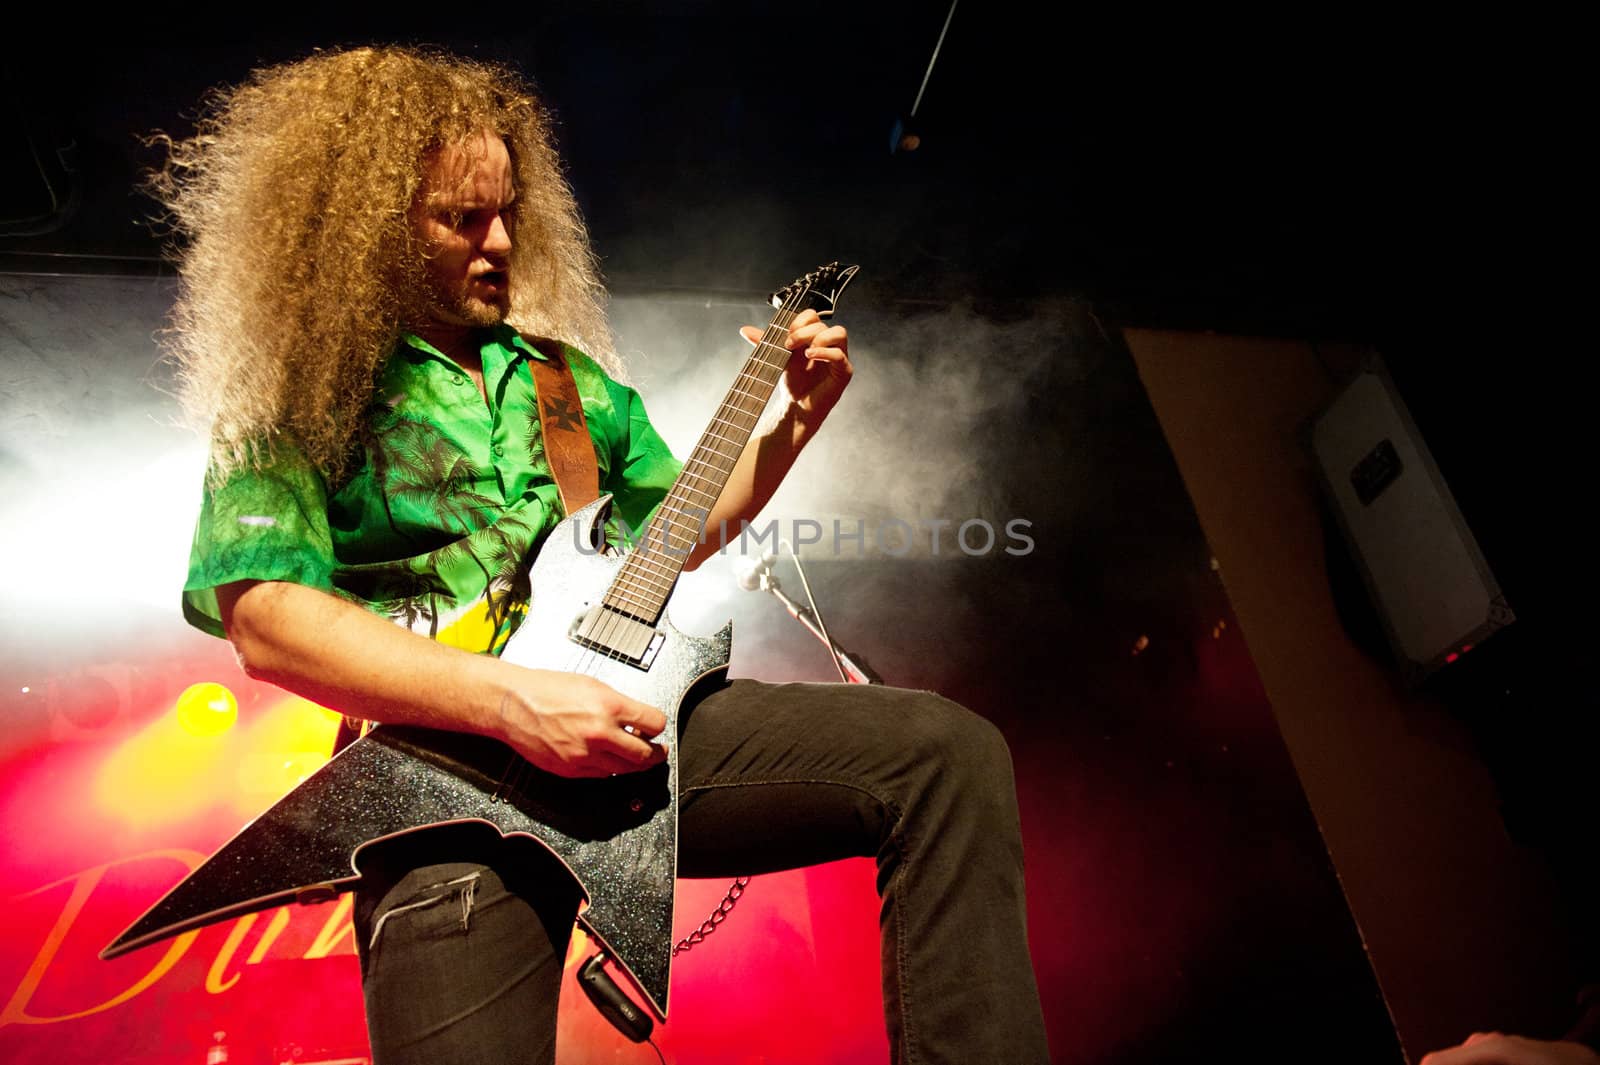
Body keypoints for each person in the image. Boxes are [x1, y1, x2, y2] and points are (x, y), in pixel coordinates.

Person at [159, 46, 1049, 1064]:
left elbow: (665, 536)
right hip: (437, 793)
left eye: (509, 214)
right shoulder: (300, 397)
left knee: (943, 756)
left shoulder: (565, 387)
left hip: (627, 729)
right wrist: (510, 703)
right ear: (370, 229)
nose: (500, 243)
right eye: (462, 219)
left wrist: (793, 422)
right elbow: (269, 621)